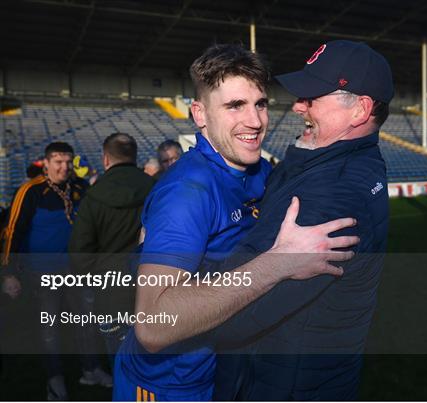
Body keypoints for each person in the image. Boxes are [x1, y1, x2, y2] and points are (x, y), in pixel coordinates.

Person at [113, 44, 357, 401]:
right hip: (167, 386)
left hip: (227, 375)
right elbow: (152, 326)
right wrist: (277, 264)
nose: (255, 121)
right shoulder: (188, 193)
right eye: (234, 106)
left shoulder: (258, 170)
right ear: (200, 114)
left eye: (260, 103)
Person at [187, 39, 392, 401]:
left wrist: (176, 272)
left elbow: (230, 321)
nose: (297, 107)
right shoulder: (331, 163)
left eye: (311, 98)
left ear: (359, 110)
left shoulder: (331, 198)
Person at [0, 142, 110, 400]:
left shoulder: (80, 188)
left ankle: (91, 369)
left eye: (68, 162)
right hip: (42, 273)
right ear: (46, 163)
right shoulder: (30, 190)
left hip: (77, 270)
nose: (64, 167)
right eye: (58, 162)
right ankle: (54, 379)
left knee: (87, 321)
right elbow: (13, 231)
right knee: (49, 329)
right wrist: (8, 272)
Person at [68, 133, 155, 363]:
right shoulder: (156, 189)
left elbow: (79, 254)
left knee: (120, 367)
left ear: (105, 159)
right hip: (153, 291)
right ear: (135, 157)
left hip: (111, 294)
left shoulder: (94, 195)